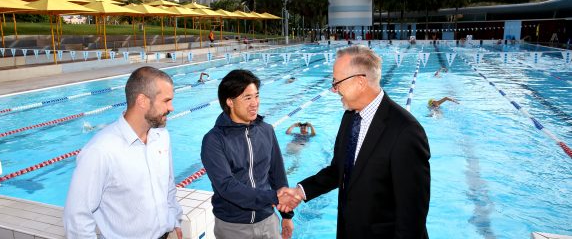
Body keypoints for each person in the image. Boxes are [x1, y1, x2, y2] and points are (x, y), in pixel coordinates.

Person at [278, 45, 431, 238]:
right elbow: (339, 170)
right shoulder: (350, 117)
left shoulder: (406, 131)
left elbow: (411, 217)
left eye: (336, 82)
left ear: (360, 82)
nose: (334, 89)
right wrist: (300, 191)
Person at [64, 66, 183, 239]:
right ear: (142, 101)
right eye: (166, 100)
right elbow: (76, 219)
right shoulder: (100, 151)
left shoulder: (162, 137)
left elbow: (169, 188)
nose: (171, 107)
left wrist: (174, 221)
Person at [201, 69, 298, 239]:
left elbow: (277, 174)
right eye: (247, 98)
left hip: (268, 221)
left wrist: (286, 216)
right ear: (230, 102)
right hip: (233, 227)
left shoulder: (266, 130)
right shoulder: (214, 140)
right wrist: (273, 197)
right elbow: (227, 187)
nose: (255, 103)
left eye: (256, 96)